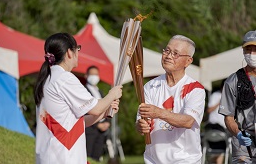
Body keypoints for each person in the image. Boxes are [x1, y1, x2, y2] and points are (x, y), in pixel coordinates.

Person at [34, 33, 122, 164]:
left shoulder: (47, 78)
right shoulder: (65, 79)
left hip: (51, 155)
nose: (78, 53)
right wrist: (112, 94)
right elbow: (96, 108)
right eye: (78, 49)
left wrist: (106, 112)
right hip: (63, 156)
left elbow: (78, 123)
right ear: (69, 52)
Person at [136, 35, 206, 163]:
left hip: (185, 159)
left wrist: (159, 113)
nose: (168, 56)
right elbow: (142, 121)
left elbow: (188, 121)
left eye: (175, 54)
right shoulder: (150, 86)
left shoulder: (195, 89)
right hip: (153, 159)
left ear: (188, 61)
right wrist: (141, 126)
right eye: (167, 51)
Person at [219, 30, 256, 163]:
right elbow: (228, 117)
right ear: (243, 51)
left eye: (255, 49)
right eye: (248, 49)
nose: (252, 54)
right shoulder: (233, 81)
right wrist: (238, 134)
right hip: (243, 145)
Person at [84, 65, 111, 161]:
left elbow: (105, 107)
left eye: (96, 74)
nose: (94, 77)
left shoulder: (100, 91)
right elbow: (84, 111)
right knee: (87, 157)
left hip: (101, 131)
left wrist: (107, 122)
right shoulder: (83, 91)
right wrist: (97, 125)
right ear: (86, 76)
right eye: (92, 74)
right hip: (90, 130)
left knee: (96, 157)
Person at [204, 80, 227, 164]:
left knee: (219, 153)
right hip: (214, 127)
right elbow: (209, 110)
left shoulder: (231, 97)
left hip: (224, 128)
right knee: (217, 152)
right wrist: (220, 102)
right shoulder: (215, 95)